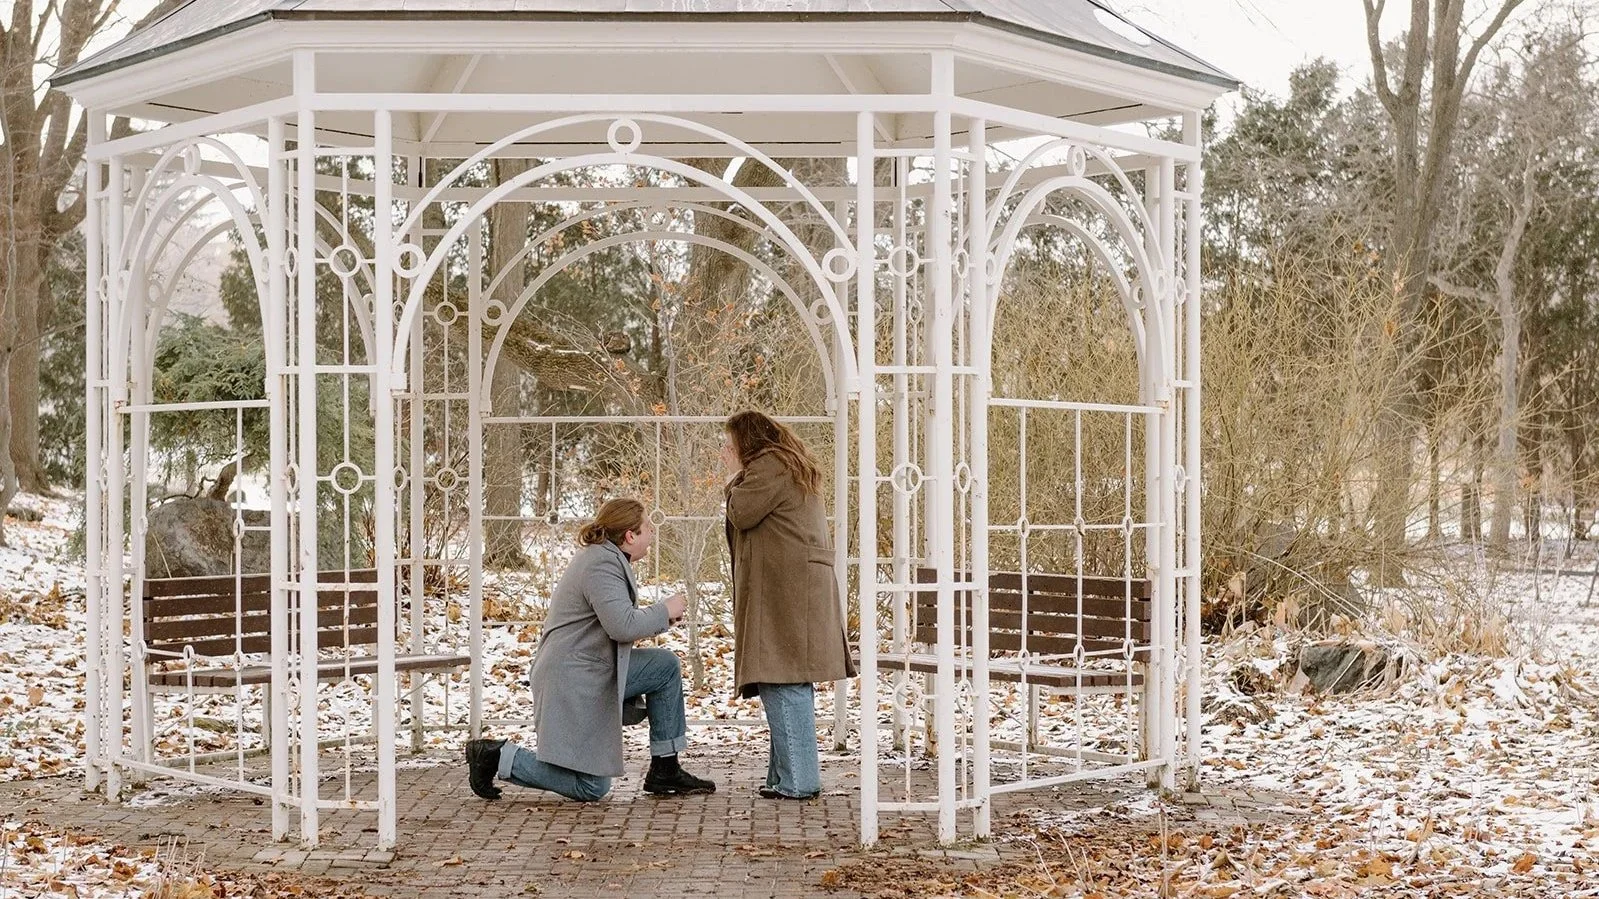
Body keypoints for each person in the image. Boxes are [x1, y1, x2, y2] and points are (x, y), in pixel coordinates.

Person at [465, 498, 716, 801]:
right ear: (630, 536)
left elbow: (618, 621)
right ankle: (497, 757)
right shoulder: (601, 564)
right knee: (592, 787)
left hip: (591, 667)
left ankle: (665, 768)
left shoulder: (607, 559)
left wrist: (662, 617)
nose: (653, 533)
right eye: (647, 527)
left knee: (663, 666)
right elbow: (622, 626)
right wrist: (664, 610)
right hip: (573, 677)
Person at [721, 411, 857, 800]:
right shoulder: (786, 463)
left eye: (732, 444)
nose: (728, 450)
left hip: (786, 590)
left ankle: (799, 780)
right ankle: (784, 777)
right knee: (787, 677)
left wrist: (733, 479)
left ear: (748, 441)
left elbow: (742, 513)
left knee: (780, 676)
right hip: (794, 588)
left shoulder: (768, 467)